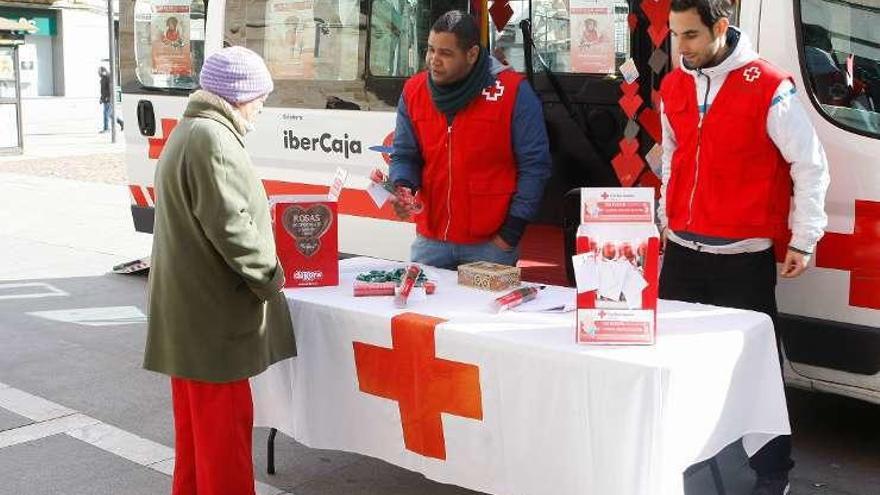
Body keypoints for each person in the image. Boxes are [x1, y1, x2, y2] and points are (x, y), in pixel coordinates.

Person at [658, 1, 830, 494]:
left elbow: (810, 164)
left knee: (758, 375)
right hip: (685, 252)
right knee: (674, 362)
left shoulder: (770, 86)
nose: (681, 48)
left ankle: (773, 475)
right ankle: (680, 459)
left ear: (720, 27)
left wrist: (804, 237)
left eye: (690, 36)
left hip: (743, 258)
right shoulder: (674, 86)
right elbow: (673, 156)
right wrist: (668, 219)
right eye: (674, 35)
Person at [143, 46, 296, 495]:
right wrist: (272, 279)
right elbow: (233, 230)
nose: (263, 106)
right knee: (224, 443)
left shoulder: (189, 130)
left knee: (196, 443)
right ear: (238, 95)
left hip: (187, 319)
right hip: (212, 323)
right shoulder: (213, 139)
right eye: (260, 97)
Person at [390, 10, 551, 270]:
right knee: (425, 312)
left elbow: (535, 167)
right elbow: (405, 154)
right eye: (431, 50)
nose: (433, 60)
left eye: (446, 53)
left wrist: (509, 234)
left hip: (491, 245)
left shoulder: (513, 92)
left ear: (472, 54)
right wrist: (402, 187)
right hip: (431, 241)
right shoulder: (413, 91)